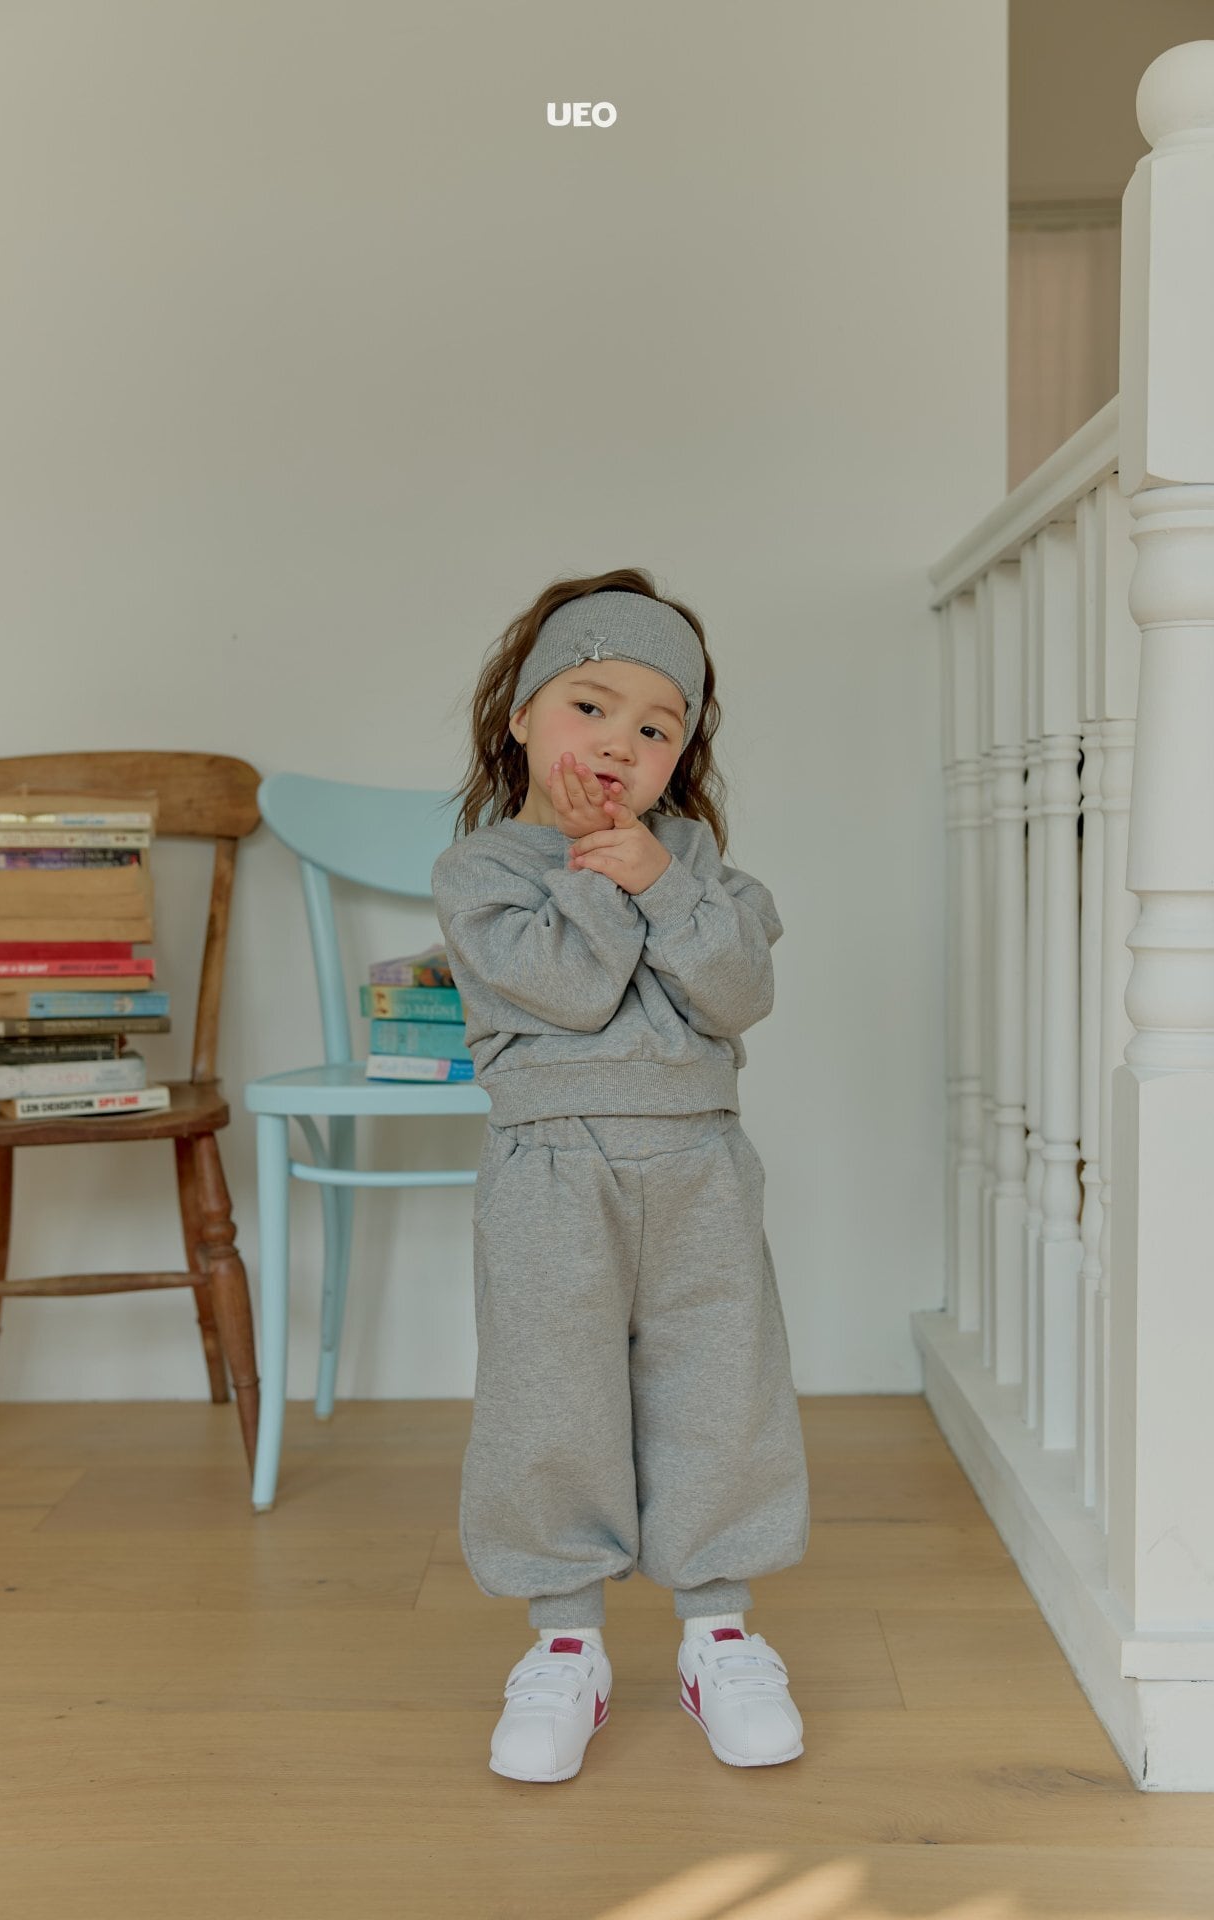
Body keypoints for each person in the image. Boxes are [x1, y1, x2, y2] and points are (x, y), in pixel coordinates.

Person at [431, 569, 810, 1782]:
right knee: (549, 1398)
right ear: (520, 718)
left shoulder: (697, 863)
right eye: (589, 708)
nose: (618, 744)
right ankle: (564, 1645)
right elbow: (567, 989)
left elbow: (738, 991)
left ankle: (718, 1634)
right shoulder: (481, 874)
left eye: (655, 728)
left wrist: (662, 878)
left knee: (720, 1386)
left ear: (679, 757)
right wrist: (605, 875)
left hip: (699, 1164)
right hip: (551, 1169)